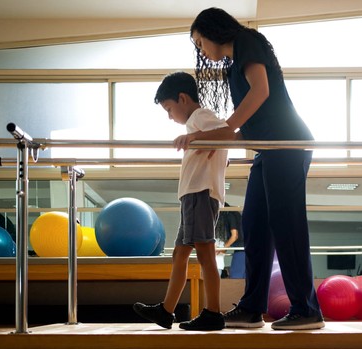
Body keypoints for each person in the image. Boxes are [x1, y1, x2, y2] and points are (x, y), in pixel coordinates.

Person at [175, 7, 325, 330]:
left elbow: (261, 91)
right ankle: (251, 307)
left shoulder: (247, 41)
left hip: (287, 145)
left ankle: (307, 308)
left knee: (287, 225)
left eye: (200, 42)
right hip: (266, 149)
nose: (201, 51)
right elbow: (252, 125)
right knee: (254, 226)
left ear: (212, 30)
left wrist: (222, 132)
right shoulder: (232, 68)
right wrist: (212, 137)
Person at [132, 71, 229, 331]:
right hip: (191, 195)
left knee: (205, 252)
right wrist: (197, 139)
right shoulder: (196, 123)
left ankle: (213, 313)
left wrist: (196, 138)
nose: (169, 115)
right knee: (180, 253)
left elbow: (226, 133)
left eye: (169, 108)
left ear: (183, 99)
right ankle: (166, 310)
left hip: (200, 192)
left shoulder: (200, 116)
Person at [215, 202, 245, 279]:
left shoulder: (229, 215)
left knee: (235, 277)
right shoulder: (235, 215)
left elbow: (234, 236)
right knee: (244, 278)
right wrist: (223, 249)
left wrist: (223, 248)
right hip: (245, 248)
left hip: (242, 249)